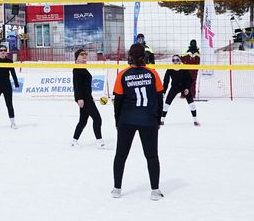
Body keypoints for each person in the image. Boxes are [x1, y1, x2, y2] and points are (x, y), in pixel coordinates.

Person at [111, 43, 163, 200]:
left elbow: (118, 102)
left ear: (130, 57)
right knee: (152, 156)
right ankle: (155, 191)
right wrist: (158, 120)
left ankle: (116, 189)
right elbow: (159, 99)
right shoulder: (152, 73)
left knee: (121, 155)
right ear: (144, 56)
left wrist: (117, 121)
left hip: (127, 120)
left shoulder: (123, 74)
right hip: (148, 120)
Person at [71, 48, 104, 148]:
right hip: (84, 99)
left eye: (85, 54)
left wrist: (90, 97)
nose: (84, 55)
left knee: (83, 121)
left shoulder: (83, 69)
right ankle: (99, 141)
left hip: (87, 98)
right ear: (76, 58)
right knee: (97, 119)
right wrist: (79, 98)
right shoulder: (77, 69)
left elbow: (85, 86)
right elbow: (77, 85)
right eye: (82, 54)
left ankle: (74, 141)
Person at [161, 55, 200, 127]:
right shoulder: (170, 68)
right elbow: (166, 81)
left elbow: (190, 79)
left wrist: (187, 88)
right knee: (166, 104)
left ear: (180, 60)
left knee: (191, 104)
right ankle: (162, 120)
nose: (175, 61)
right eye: (173, 60)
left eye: (177, 60)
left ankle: (195, 120)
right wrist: (164, 91)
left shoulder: (184, 67)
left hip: (184, 87)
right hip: (174, 87)